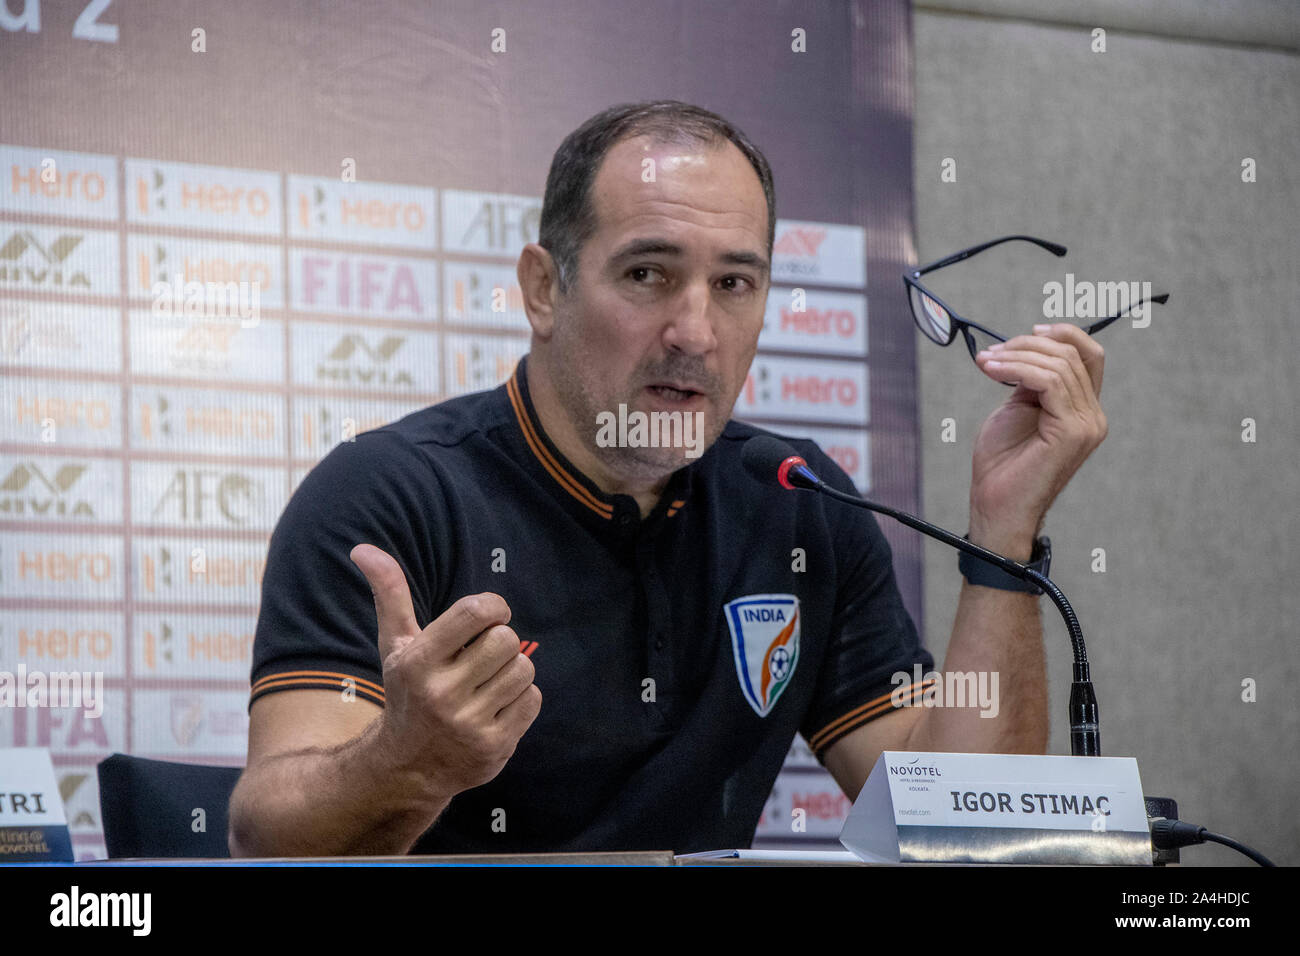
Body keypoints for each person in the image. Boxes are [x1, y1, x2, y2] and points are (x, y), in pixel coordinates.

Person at [227, 100, 1108, 857]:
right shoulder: (387, 495)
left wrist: (1002, 538)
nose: (696, 330)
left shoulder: (797, 500)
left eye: (734, 282)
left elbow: (961, 833)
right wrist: (407, 757)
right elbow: (266, 841)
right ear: (543, 288)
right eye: (648, 274)